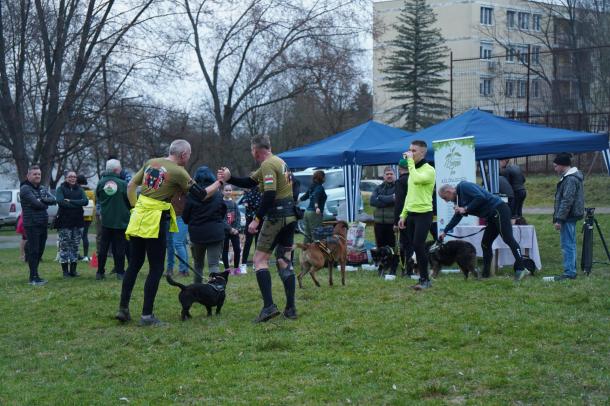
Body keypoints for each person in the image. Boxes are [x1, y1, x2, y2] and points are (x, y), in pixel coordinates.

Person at [115, 139, 222, 326]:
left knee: (134, 264)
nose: (188, 159)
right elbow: (202, 194)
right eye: (188, 155)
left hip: (138, 216)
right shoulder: (178, 171)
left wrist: (135, 208)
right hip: (155, 219)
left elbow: (131, 185)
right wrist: (220, 182)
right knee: (156, 268)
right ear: (183, 155)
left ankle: (123, 309)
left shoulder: (151, 162)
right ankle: (147, 316)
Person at [218, 134, 298, 322]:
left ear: (256, 150)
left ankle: (269, 307)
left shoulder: (268, 165)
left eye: (252, 151)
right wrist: (231, 178)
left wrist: (257, 219)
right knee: (284, 260)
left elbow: (269, 194)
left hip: (276, 216)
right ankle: (291, 309)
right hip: (290, 215)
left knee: (259, 260)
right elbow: (250, 182)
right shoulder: (279, 161)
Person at [437, 181, 529, 281]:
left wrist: (466, 208)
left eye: (445, 198)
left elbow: (480, 197)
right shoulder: (458, 200)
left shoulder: (463, 186)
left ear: (448, 191)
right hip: (491, 216)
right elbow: (457, 217)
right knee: (485, 243)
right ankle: (486, 274)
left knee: (508, 238)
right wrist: (445, 231)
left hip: (499, 209)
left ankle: (521, 268)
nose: (446, 201)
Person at [397, 141, 436, 290]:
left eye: (413, 151)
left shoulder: (429, 170)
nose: (410, 153)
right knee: (414, 246)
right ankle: (422, 278)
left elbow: (418, 179)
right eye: (409, 150)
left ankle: (425, 279)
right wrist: (403, 215)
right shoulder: (413, 170)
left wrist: (410, 164)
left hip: (424, 213)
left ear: (422, 153)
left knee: (419, 246)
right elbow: (409, 195)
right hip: (411, 213)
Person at [183, 166, 226, 283]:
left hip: (197, 235)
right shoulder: (218, 195)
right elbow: (223, 213)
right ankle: (216, 289)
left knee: (198, 265)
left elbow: (185, 217)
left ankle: (197, 290)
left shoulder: (191, 196)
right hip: (215, 234)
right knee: (214, 265)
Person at [96, 159, 131, 280]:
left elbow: (99, 198)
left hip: (106, 221)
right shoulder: (122, 184)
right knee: (119, 247)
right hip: (121, 221)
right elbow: (130, 201)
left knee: (103, 247)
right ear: (116, 170)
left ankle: (100, 272)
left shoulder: (101, 183)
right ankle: (120, 272)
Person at [20, 165, 56, 285]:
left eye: (39, 174)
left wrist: (42, 200)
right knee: (34, 251)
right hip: (31, 223)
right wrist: (43, 202)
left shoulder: (42, 188)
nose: (37, 176)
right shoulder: (25, 188)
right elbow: (36, 204)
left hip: (43, 223)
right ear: (28, 175)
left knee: (40, 250)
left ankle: (36, 274)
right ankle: (33, 277)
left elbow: (54, 199)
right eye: (34, 174)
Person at [552, 153, 584, 281]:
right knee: (570, 243)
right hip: (570, 216)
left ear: (562, 165)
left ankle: (569, 272)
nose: (555, 169)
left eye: (555, 166)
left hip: (568, 217)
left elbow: (567, 201)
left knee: (567, 245)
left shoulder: (570, 179)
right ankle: (571, 270)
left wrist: (559, 219)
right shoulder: (570, 177)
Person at [55, 171, 89, 278]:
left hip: (78, 222)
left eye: (74, 177)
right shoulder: (60, 189)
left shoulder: (80, 189)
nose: (72, 178)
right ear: (66, 178)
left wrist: (70, 201)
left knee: (75, 246)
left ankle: (73, 271)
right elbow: (60, 201)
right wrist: (77, 204)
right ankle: (65, 272)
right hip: (64, 222)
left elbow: (85, 201)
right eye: (70, 177)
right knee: (65, 246)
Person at [165, 193, 190, 277]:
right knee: (171, 244)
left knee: (178, 243)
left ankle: (183, 270)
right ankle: (170, 269)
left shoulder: (184, 184)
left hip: (181, 217)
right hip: (168, 217)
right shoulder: (168, 185)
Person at [299, 170, 327, 244]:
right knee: (316, 235)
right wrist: (317, 207)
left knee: (307, 235)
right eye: (324, 177)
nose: (325, 179)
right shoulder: (320, 187)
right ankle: (316, 253)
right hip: (314, 213)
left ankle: (304, 253)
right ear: (322, 178)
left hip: (307, 212)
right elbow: (316, 196)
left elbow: (306, 196)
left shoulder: (312, 186)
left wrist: (298, 200)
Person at [393, 159, 411, 275]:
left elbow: (399, 203)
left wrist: (396, 222)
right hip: (417, 215)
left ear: (399, 169)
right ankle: (414, 268)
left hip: (405, 218)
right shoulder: (414, 179)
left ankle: (407, 270)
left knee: (406, 244)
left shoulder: (400, 182)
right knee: (415, 243)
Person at [240, 185, 262, 273]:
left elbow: (257, 204)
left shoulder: (261, 192)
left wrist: (251, 205)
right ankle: (243, 264)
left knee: (258, 242)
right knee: (248, 243)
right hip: (250, 219)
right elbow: (246, 203)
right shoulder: (247, 192)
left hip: (259, 219)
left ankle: (255, 264)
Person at [221, 184, 242, 272]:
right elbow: (222, 218)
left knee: (237, 249)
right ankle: (227, 268)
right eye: (226, 190)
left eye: (230, 190)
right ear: (222, 191)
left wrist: (236, 228)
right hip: (225, 231)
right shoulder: (220, 203)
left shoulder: (234, 203)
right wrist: (230, 229)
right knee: (225, 249)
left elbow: (238, 216)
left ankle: (237, 268)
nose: (228, 192)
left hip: (235, 231)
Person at [77, 174, 95, 262]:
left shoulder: (77, 191)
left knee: (76, 236)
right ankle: (85, 255)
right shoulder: (91, 192)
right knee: (85, 236)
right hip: (88, 217)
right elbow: (93, 205)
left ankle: (76, 254)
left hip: (77, 216)